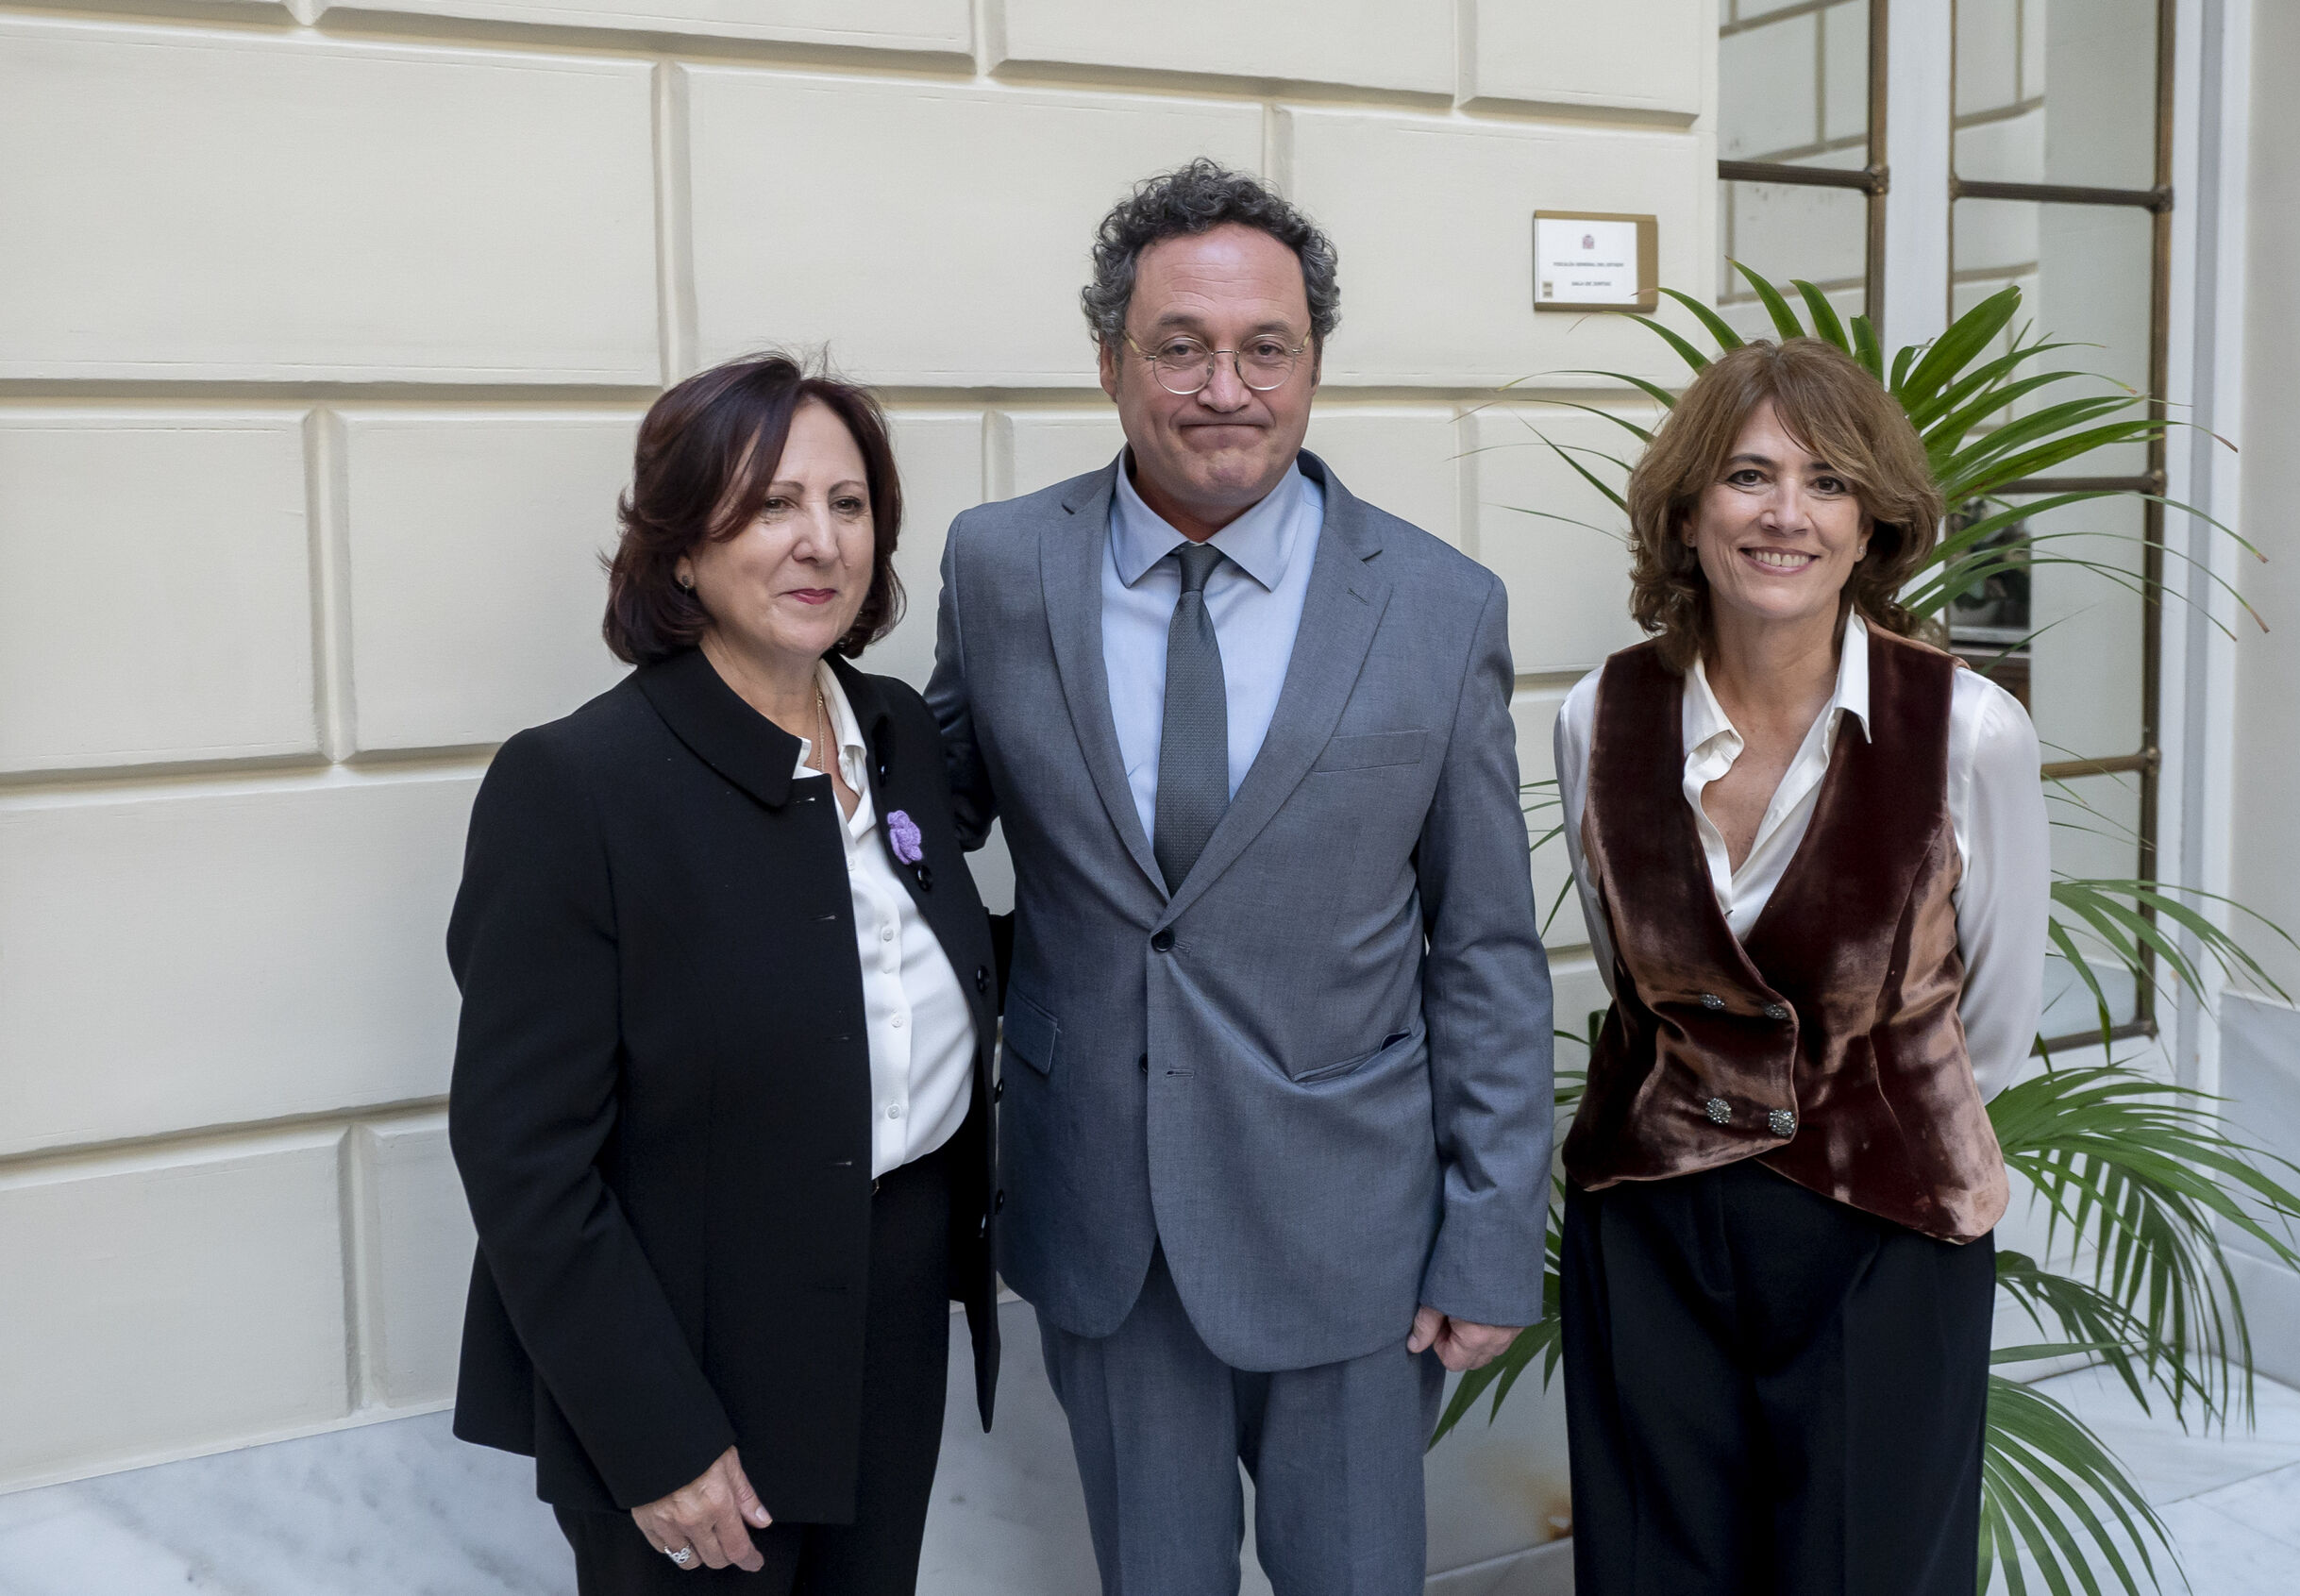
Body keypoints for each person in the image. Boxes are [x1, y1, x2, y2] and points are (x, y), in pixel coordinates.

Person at [923, 159, 1554, 1595]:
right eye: (1180, 346)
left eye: (1267, 347)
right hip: (1102, 1208)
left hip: (1353, 1230)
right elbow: (930, 817)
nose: (1226, 388)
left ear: (1313, 363)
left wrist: (1489, 1237)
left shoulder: (1439, 608)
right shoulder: (1001, 569)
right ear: (1109, 361)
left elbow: (1486, 949)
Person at [446, 353, 999, 1594]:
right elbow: (524, 1158)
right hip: (692, 1359)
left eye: (848, 505)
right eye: (770, 506)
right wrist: (653, 1436)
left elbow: (908, 970)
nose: (820, 543)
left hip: (893, 1315)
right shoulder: (577, 788)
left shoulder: (898, 731)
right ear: (684, 550)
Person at [1552, 336, 2050, 1594]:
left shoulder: (1972, 732)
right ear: (1686, 513)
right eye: (1749, 476)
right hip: (1651, 1222)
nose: (1788, 514)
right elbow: (1634, 972)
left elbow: (1992, 1021)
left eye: (1828, 483)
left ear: (1871, 523)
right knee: (1655, 1572)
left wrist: (1874, 1121)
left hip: (1888, 1230)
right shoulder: (1595, 718)